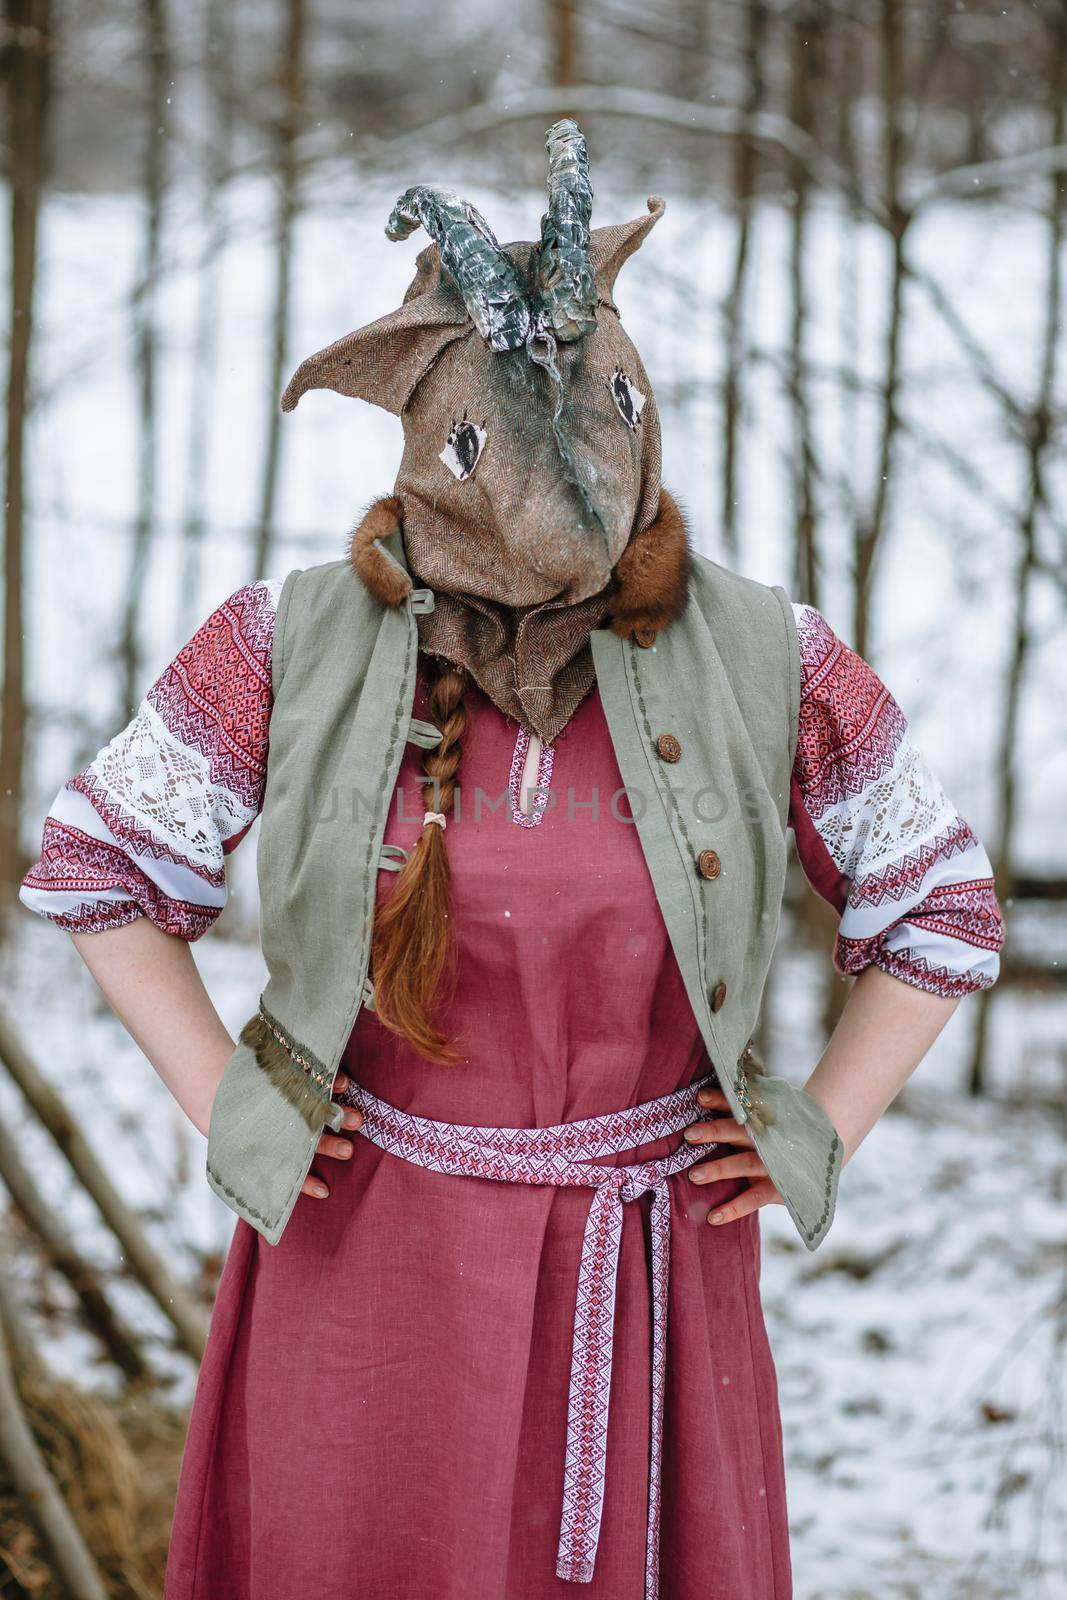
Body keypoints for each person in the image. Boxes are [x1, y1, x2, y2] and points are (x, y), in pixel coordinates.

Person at [20, 122, 1003, 1600]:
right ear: (437, 445)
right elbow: (100, 863)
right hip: (365, 1265)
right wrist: (228, 1095)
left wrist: (818, 1126)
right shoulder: (288, 643)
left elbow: (938, 902)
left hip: (652, 1267)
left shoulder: (765, 658)